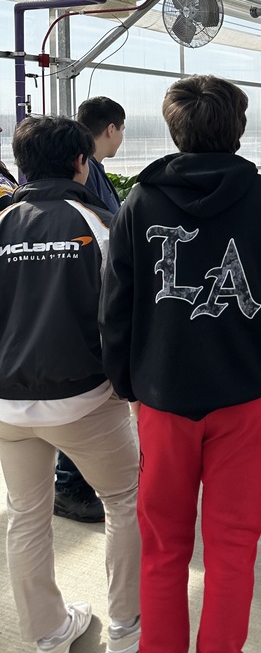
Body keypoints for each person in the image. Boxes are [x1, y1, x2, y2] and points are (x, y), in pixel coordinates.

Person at [99, 74, 261, 653]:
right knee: (232, 545)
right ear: (239, 129)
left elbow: (116, 305)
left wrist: (128, 382)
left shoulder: (140, 202)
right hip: (245, 394)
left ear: (175, 129)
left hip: (163, 394)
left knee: (163, 545)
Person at [0, 116, 140, 653]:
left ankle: (48, 633)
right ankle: (128, 629)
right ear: (83, 163)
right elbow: (125, 318)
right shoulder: (103, 223)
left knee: (26, 515)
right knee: (125, 502)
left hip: (8, 405)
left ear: (21, 164)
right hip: (86, 400)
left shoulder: (2, 221)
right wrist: (128, 388)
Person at [51, 97, 125, 524]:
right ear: (111, 129)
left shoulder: (91, 173)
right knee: (78, 404)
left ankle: (71, 482)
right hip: (84, 306)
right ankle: (69, 486)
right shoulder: (87, 186)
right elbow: (105, 229)